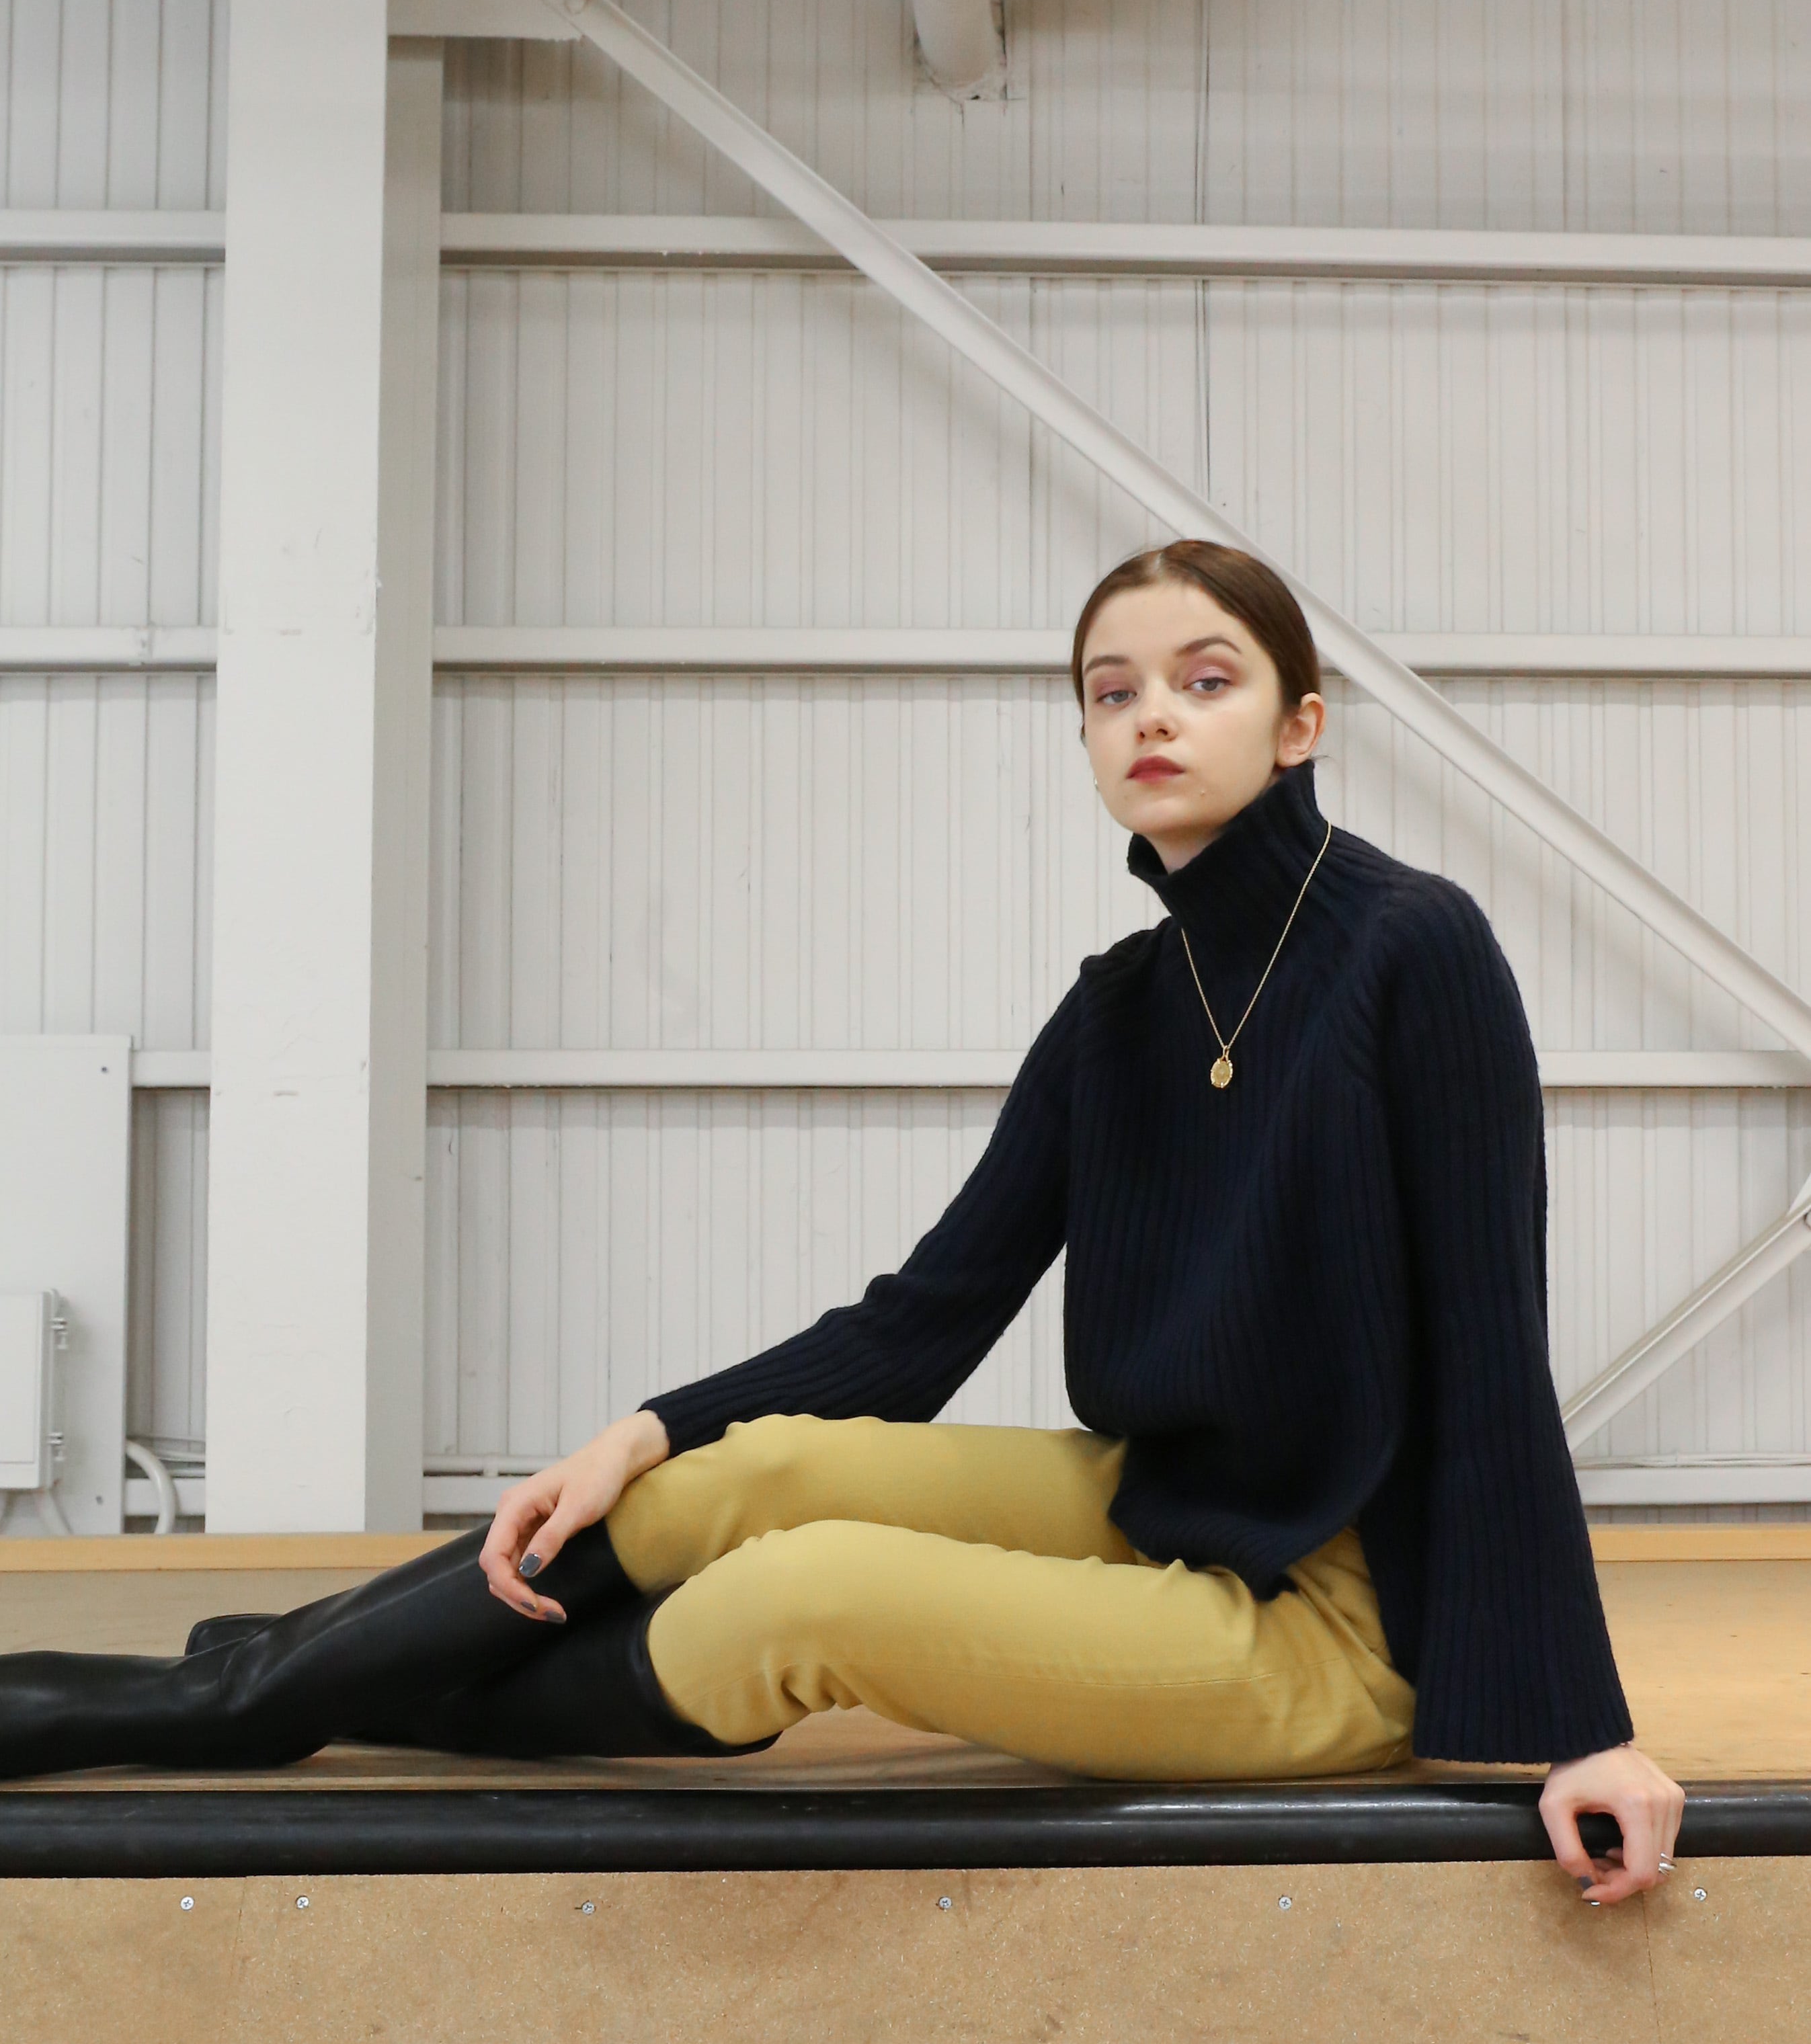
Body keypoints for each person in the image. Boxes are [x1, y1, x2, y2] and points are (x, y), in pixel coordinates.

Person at [0, 542, 1682, 1908]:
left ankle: (249, 1693)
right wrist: (639, 1430)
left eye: (1205, 678)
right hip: (1177, 1508)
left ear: (1300, 725)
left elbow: (1493, 1348)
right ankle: (242, 1688)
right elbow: (920, 1321)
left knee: (799, 1596)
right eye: (1112, 691)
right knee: (738, 1480)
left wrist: (1578, 1726)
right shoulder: (1117, 1009)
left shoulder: (1413, 948)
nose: (1152, 716)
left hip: (1348, 1618)